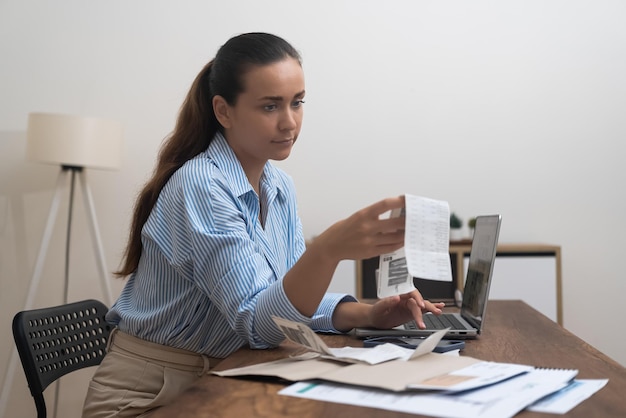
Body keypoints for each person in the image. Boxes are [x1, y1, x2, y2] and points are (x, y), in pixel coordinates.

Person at [82, 32, 444, 418]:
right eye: (270, 106)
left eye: (297, 102)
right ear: (223, 111)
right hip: (146, 398)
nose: (290, 122)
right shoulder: (201, 185)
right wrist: (327, 251)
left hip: (218, 379)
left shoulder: (279, 186)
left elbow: (284, 300)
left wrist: (369, 315)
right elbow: (259, 324)